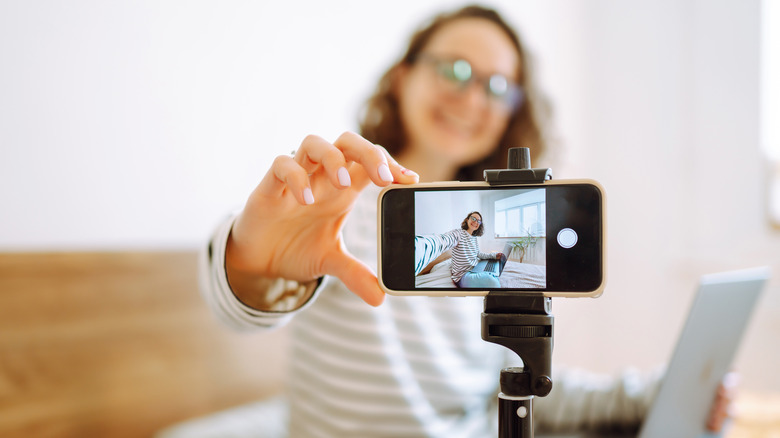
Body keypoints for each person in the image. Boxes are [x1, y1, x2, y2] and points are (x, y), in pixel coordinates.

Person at [198, 5, 731, 437]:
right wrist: (250, 262)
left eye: (498, 87)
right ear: (404, 77)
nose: (472, 97)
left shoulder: (482, 250)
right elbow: (248, 300)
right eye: (454, 69)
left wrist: (657, 393)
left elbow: (517, 386)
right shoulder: (336, 208)